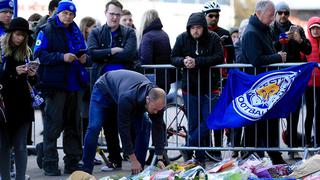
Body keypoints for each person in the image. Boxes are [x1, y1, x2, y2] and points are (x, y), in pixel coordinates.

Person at [34, 0, 87, 176]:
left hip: (75, 84)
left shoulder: (75, 30)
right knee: (53, 126)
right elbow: (39, 55)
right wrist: (61, 57)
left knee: (74, 127)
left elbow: (83, 50)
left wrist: (85, 58)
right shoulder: (46, 30)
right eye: (65, 13)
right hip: (55, 85)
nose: (68, 17)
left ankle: (72, 162)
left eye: (71, 14)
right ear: (57, 13)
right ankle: (49, 162)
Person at [82, 70, 167, 175]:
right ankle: (86, 170)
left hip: (124, 91)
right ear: (148, 99)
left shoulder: (157, 100)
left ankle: (138, 171)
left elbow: (158, 128)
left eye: (159, 110)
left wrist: (159, 157)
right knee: (94, 128)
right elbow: (123, 129)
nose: (156, 112)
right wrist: (132, 159)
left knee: (144, 126)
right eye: (155, 109)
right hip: (103, 91)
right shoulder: (127, 97)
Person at [87, 0, 137, 169]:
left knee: (126, 123)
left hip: (124, 87)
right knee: (106, 125)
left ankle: (134, 158)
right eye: (112, 13)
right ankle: (114, 159)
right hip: (103, 85)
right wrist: (113, 51)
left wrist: (104, 55)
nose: (115, 17)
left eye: (117, 14)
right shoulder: (96, 33)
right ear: (106, 13)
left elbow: (129, 54)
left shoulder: (129, 33)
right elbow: (92, 54)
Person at [171, 12, 224, 166]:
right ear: (188, 28)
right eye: (192, 28)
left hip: (210, 87)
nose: (195, 31)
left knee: (209, 121)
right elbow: (173, 57)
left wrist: (197, 62)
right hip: (190, 88)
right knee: (194, 123)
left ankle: (188, 146)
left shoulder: (213, 38)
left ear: (203, 28)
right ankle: (199, 159)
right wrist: (183, 61)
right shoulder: (182, 38)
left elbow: (219, 57)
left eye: (198, 27)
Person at [241, 0, 287, 164]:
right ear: (259, 13)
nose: (272, 19)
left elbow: (265, 50)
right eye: (270, 15)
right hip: (258, 86)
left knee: (269, 123)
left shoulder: (263, 29)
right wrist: (278, 57)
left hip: (267, 86)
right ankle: (253, 157)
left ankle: (273, 156)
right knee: (257, 125)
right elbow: (256, 59)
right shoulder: (252, 32)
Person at [270, 1, 311, 159]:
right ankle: (273, 151)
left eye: (286, 13)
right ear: (275, 14)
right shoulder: (269, 28)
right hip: (274, 78)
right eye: (280, 12)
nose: (283, 16)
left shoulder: (297, 28)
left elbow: (308, 49)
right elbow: (265, 49)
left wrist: (298, 40)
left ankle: (292, 149)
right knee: (273, 115)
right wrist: (279, 42)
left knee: (294, 113)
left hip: (292, 78)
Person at [0, 17, 35, 180]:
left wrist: (33, 75)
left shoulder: (26, 51)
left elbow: (32, 81)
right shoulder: (1, 50)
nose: (21, 38)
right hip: (4, 105)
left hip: (22, 103)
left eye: (24, 35)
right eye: (18, 34)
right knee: (3, 147)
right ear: (11, 34)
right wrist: (14, 72)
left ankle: (20, 177)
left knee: (21, 146)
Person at [305, 16, 320, 148]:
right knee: (309, 112)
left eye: (317, 28)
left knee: (319, 112)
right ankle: (307, 140)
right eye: (313, 28)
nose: (315, 30)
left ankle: (318, 140)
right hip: (309, 84)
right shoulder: (307, 44)